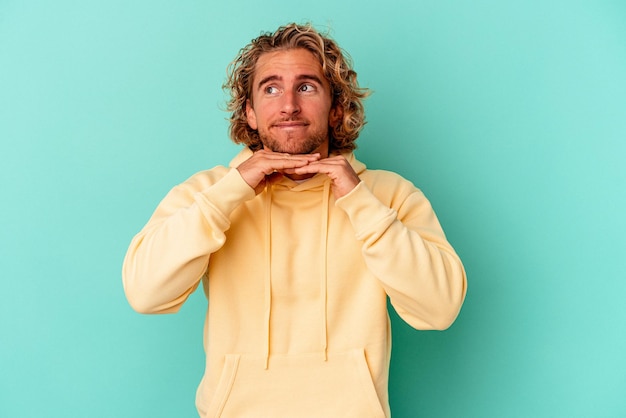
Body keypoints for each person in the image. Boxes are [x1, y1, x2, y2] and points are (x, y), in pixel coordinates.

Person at [122, 22, 467, 418]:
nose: (288, 104)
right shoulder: (208, 192)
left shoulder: (388, 195)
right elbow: (146, 294)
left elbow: (439, 309)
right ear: (249, 113)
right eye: (270, 88)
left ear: (336, 108)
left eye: (306, 86)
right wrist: (229, 194)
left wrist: (359, 201)